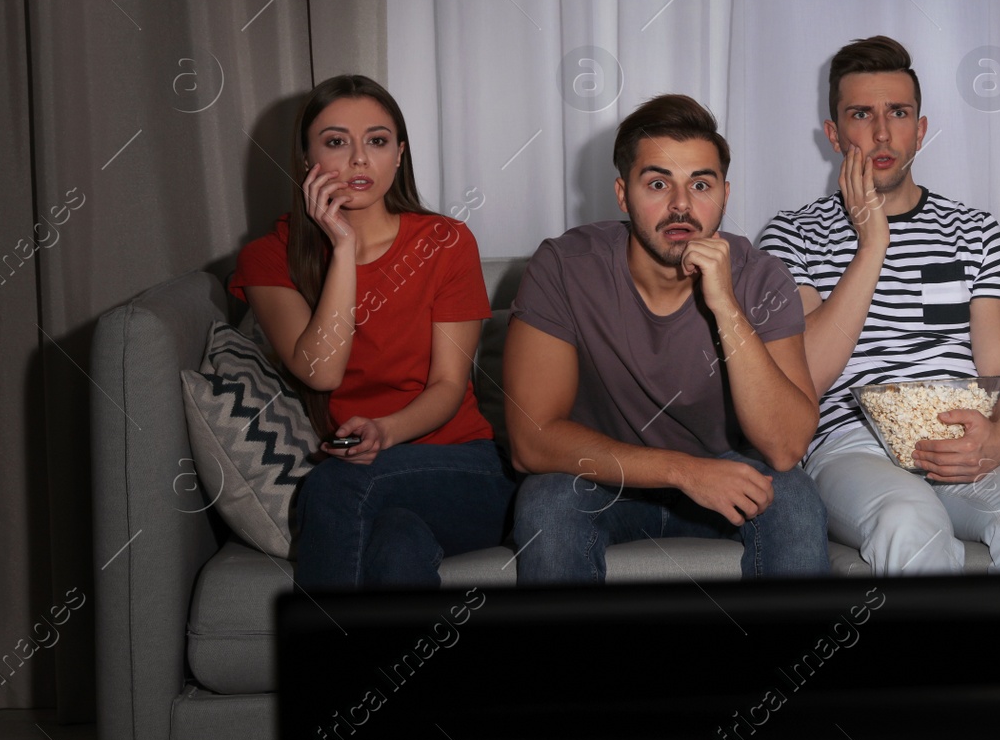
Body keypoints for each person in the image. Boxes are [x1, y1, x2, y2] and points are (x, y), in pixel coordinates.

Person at [759, 36, 1000, 575]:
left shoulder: (976, 231)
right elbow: (803, 378)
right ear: (834, 134)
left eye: (899, 113)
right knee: (908, 519)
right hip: (852, 446)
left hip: (964, 441)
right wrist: (872, 246)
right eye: (861, 114)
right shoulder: (794, 235)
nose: (882, 132)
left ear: (921, 129)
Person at [504, 95, 828, 583]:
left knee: (796, 500)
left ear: (724, 194)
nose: (681, 205)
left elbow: (784, 448)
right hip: (606, 478)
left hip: (728, 471)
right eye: (658, 184)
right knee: (547, 501)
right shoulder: (565, 267)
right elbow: (531, 441)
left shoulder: (761, 277)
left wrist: (726, 307)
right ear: (622, 194)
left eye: (701, 184)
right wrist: (683, 471)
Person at [230, 74, 515, 589]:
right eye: (337, 142)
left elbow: (449, 387)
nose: (360, 160)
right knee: (396, 547)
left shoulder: (445, 242)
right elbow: (321, 372)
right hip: (371, 484)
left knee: (336, 486)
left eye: (378, 142)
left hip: (461, 468)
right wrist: (341, 248)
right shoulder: (269, 257)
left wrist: (386, 431)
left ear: (400, 155)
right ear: (305, 159)